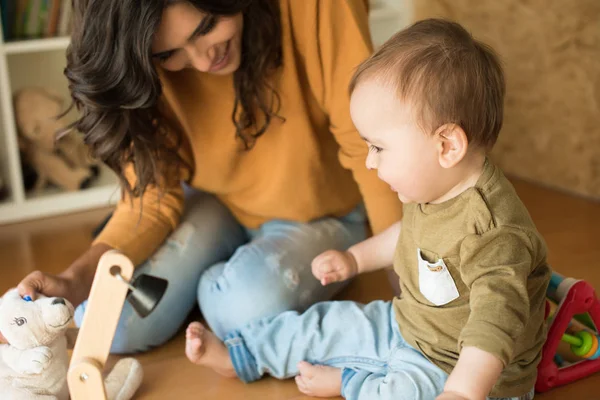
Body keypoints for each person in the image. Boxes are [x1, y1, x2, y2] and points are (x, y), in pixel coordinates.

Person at [183, 19, 552, 400]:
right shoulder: (435, 187)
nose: (370, 163)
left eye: (378, 147)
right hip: (408, 325)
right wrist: (353, 259)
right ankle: (244, 354)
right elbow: (406, 236)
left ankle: (351, 381)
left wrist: (460, 392)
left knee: (400, 392)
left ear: (447, 146)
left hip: (464, 373)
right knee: (327, 325)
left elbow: (494, 326)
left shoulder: (495, 234)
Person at [15, 0, 403, 353]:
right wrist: (75, 279)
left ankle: (216, 287)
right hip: (221, 205)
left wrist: (405, 282)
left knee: (240, 309)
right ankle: (217, 282)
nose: (202, 62)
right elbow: (150, 200)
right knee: (107, 324)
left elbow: (365, 145)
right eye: (169, 53)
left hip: (325, 212)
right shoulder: (141, 54)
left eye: (205, 27)